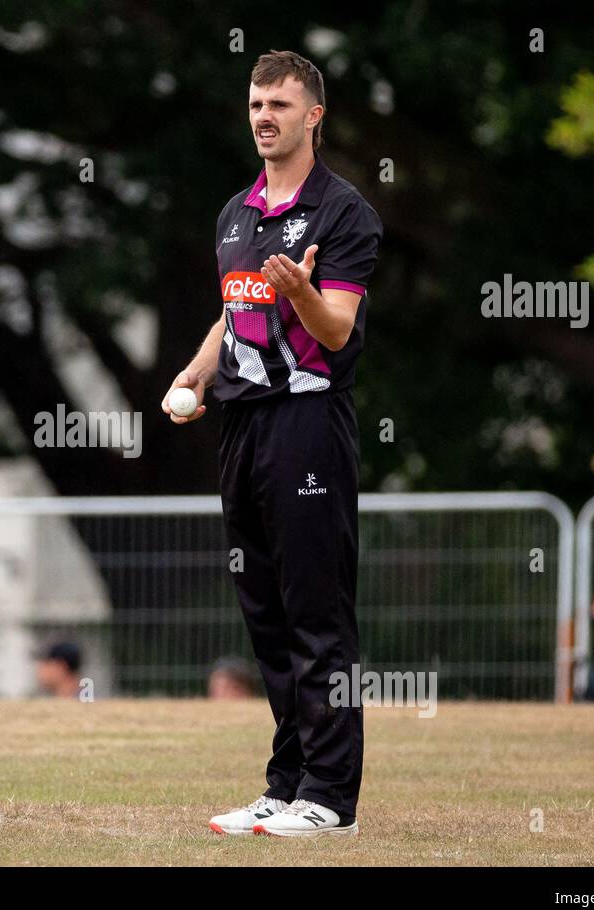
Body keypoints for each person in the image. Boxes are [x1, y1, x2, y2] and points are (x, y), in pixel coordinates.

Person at [163, 51, 381, 838]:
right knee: (264, 615)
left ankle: (331, 798)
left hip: (309, 424)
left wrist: (303, 294)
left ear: (313, 115)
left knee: (316, 612)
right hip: (244, 427)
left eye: (281, 104)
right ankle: (286, 783)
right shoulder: (236, 213)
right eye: (256, 102)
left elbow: (336, 330)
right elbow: (233, 318)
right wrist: (192, 378)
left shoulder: (342, 211)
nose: (264, 115)